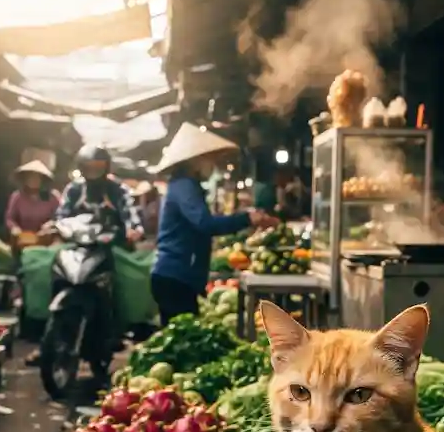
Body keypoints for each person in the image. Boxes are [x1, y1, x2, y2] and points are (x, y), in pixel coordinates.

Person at [150, 123, 278, 325]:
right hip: (175, 275)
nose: (214, 165)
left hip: (179, 275)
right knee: (184, 340)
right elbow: (205, 223)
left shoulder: (186, 185)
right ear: (196, 161)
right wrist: (246, 218)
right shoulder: (184, 186)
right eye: (210, 160)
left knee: (183, 338)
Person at [56, 145, 144, 243]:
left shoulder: (118, 189)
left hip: (113, 243)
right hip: (78, 242)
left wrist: (134, 229)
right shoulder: (74, 189)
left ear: (106, 167)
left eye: (98, 167)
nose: (93, 171)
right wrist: (60, 226)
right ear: (81, 168)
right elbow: (61, 215)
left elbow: (130, 213)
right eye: (89, 167)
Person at [4, 160, 60, 243]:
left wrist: (50, 225)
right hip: (22, 239)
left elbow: (61, 217)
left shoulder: (53, 197)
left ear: (43, 180)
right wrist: (14, 228)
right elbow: (10, 218)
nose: (33, 180)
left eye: (37, 177)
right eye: (30, 177)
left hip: (47, 239)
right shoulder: (17, 196)